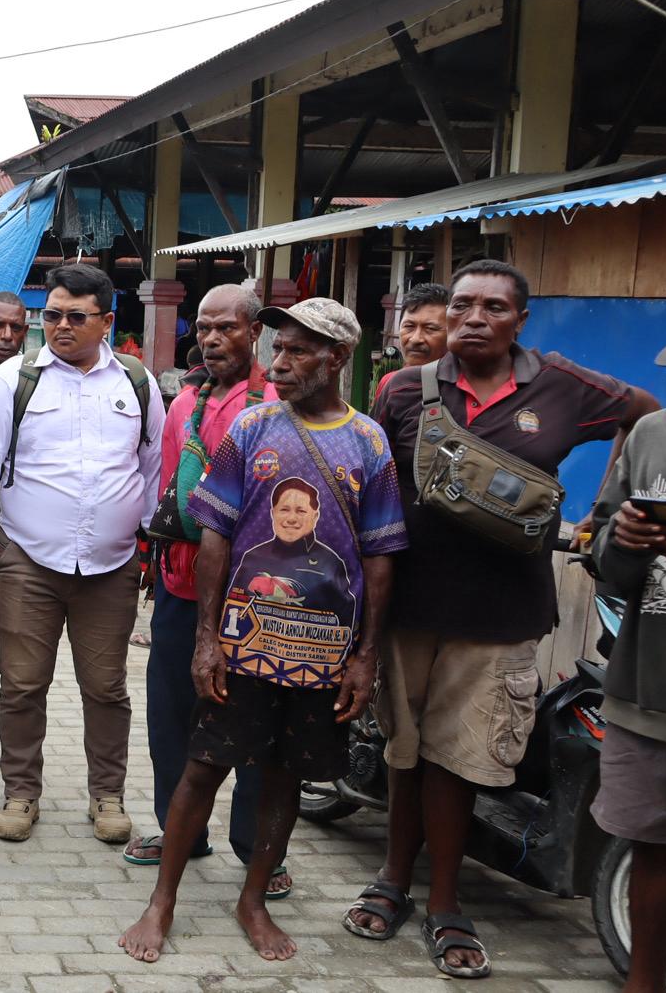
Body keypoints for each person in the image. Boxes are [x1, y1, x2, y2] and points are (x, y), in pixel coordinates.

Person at [351, 259, 659, 979]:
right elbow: (368, 489)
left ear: (521, 319)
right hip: (410, 605)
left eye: (494, 306)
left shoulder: (559, 385)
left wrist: (601, 512)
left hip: (501, 612)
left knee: (461, 761)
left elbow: (643, 409)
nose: (474, 318)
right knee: (404, 750)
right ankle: (394, 879)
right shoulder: (404, 388)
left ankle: (446, 903)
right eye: (462, 305)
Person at [119, 297, 406, 965]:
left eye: (298, 350)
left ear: (337, 358)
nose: (278, 361)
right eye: (276, 347)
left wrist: (366, 656)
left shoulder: (368, 443)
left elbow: (381, 555)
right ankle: (162, 899)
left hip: (320, 653)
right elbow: (214, 534)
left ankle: (253, 898)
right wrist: (209, 637)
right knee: (204, 763)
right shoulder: (250, 429)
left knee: (284, 775)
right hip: (245, 642)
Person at [0, 262, 163, 845]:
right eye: (51, 315)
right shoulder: (14, 381)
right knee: (22, 685)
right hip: (26, 559)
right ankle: (22, 794)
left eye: (77, 316)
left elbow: (152, 470)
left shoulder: (137, 384)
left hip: (112, 564)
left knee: (106, 688)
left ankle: (108, 795)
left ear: (107, 322)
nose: (61, 326)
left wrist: (148, 544)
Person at [124, 284, 286, 890]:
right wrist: (151, 561)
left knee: (253, 721)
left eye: (228, 328)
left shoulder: (274, 403)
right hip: (178, 585)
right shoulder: (184, 399)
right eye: (205, 327)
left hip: (254, 595)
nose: (213, 338)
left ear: (254, 332)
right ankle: (180, 830)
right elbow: (166, 490)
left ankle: (256, 850)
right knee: (170, 714)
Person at [588, 286, 666, 993]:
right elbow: (605, 561)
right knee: (653, 844)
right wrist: (624, 541)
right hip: (647, 688)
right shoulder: (653, 433)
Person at [375, 282, 450, 399]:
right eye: (409, 326)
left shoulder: (466, 386)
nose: (415, 339)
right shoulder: (390, 383)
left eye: (430, 328)